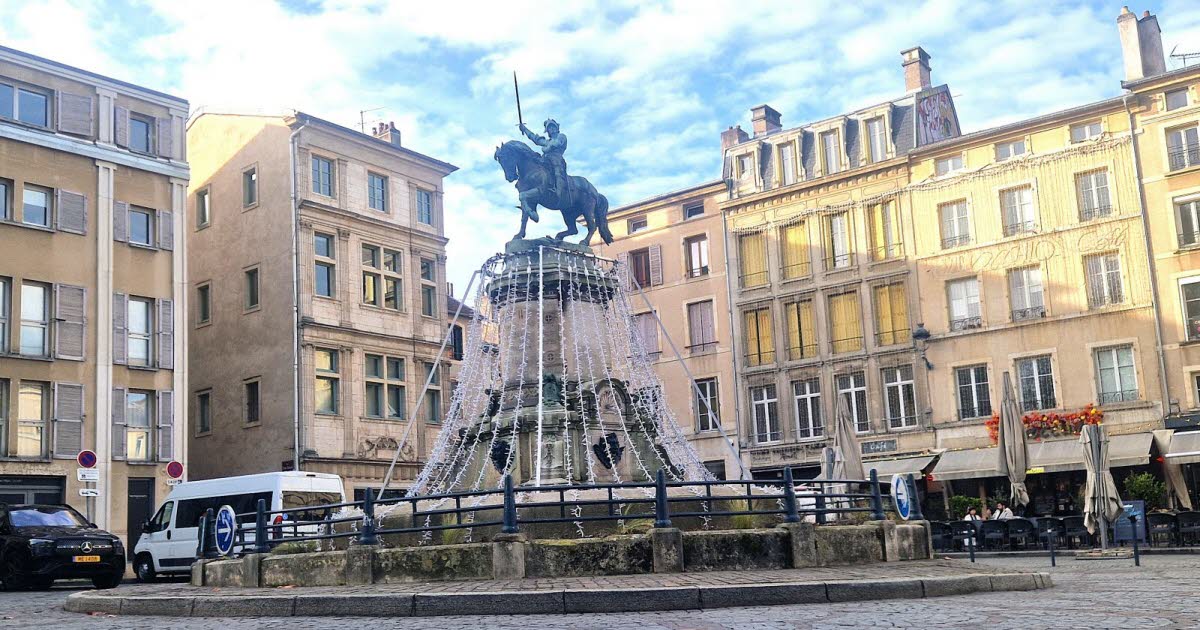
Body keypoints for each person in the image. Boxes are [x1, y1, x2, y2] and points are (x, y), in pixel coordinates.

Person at [519, 118, 569, 200]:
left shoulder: (561, 136)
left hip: (557, 158)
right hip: (546, 159)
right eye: (549, 128)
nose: (551, 129)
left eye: (553, 127)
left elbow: (556, 143)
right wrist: (524, 129)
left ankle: (559, 191)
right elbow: (535, 138)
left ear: (557, 128)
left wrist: (547, 147)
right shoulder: (547, 141)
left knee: (557, 168)